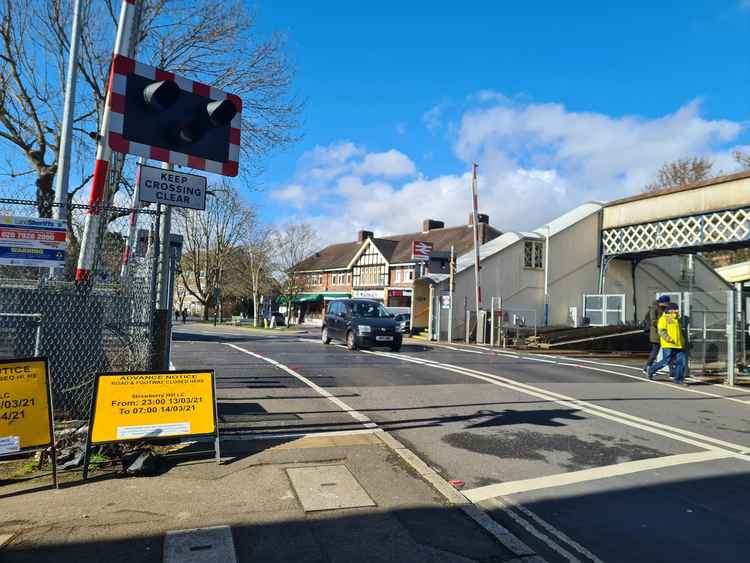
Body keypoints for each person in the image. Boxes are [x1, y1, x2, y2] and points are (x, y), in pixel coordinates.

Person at [647, 303, 688, 385]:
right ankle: (651, 370)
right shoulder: (664, 318)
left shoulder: (677, 319)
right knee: (666, 361)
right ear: (670, 310)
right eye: (675, 309)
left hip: (679, 345)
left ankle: (678, 379)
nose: (677, 310)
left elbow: (680, 333)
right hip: (668, 344)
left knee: (682, 362)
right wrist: (668, 339)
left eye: (677, 309)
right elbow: (661, 331)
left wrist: (683, 341)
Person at [643, 295, 670, 375]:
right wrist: (664, 322)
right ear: (663, 302)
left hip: (664, 334)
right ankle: (647, 367)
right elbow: (653, 321)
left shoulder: (665, 309)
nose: (668, 304)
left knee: (669, 353)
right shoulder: (654, 309)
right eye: (667, 303)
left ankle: (671, 371)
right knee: (654, 352)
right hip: (656, 334)